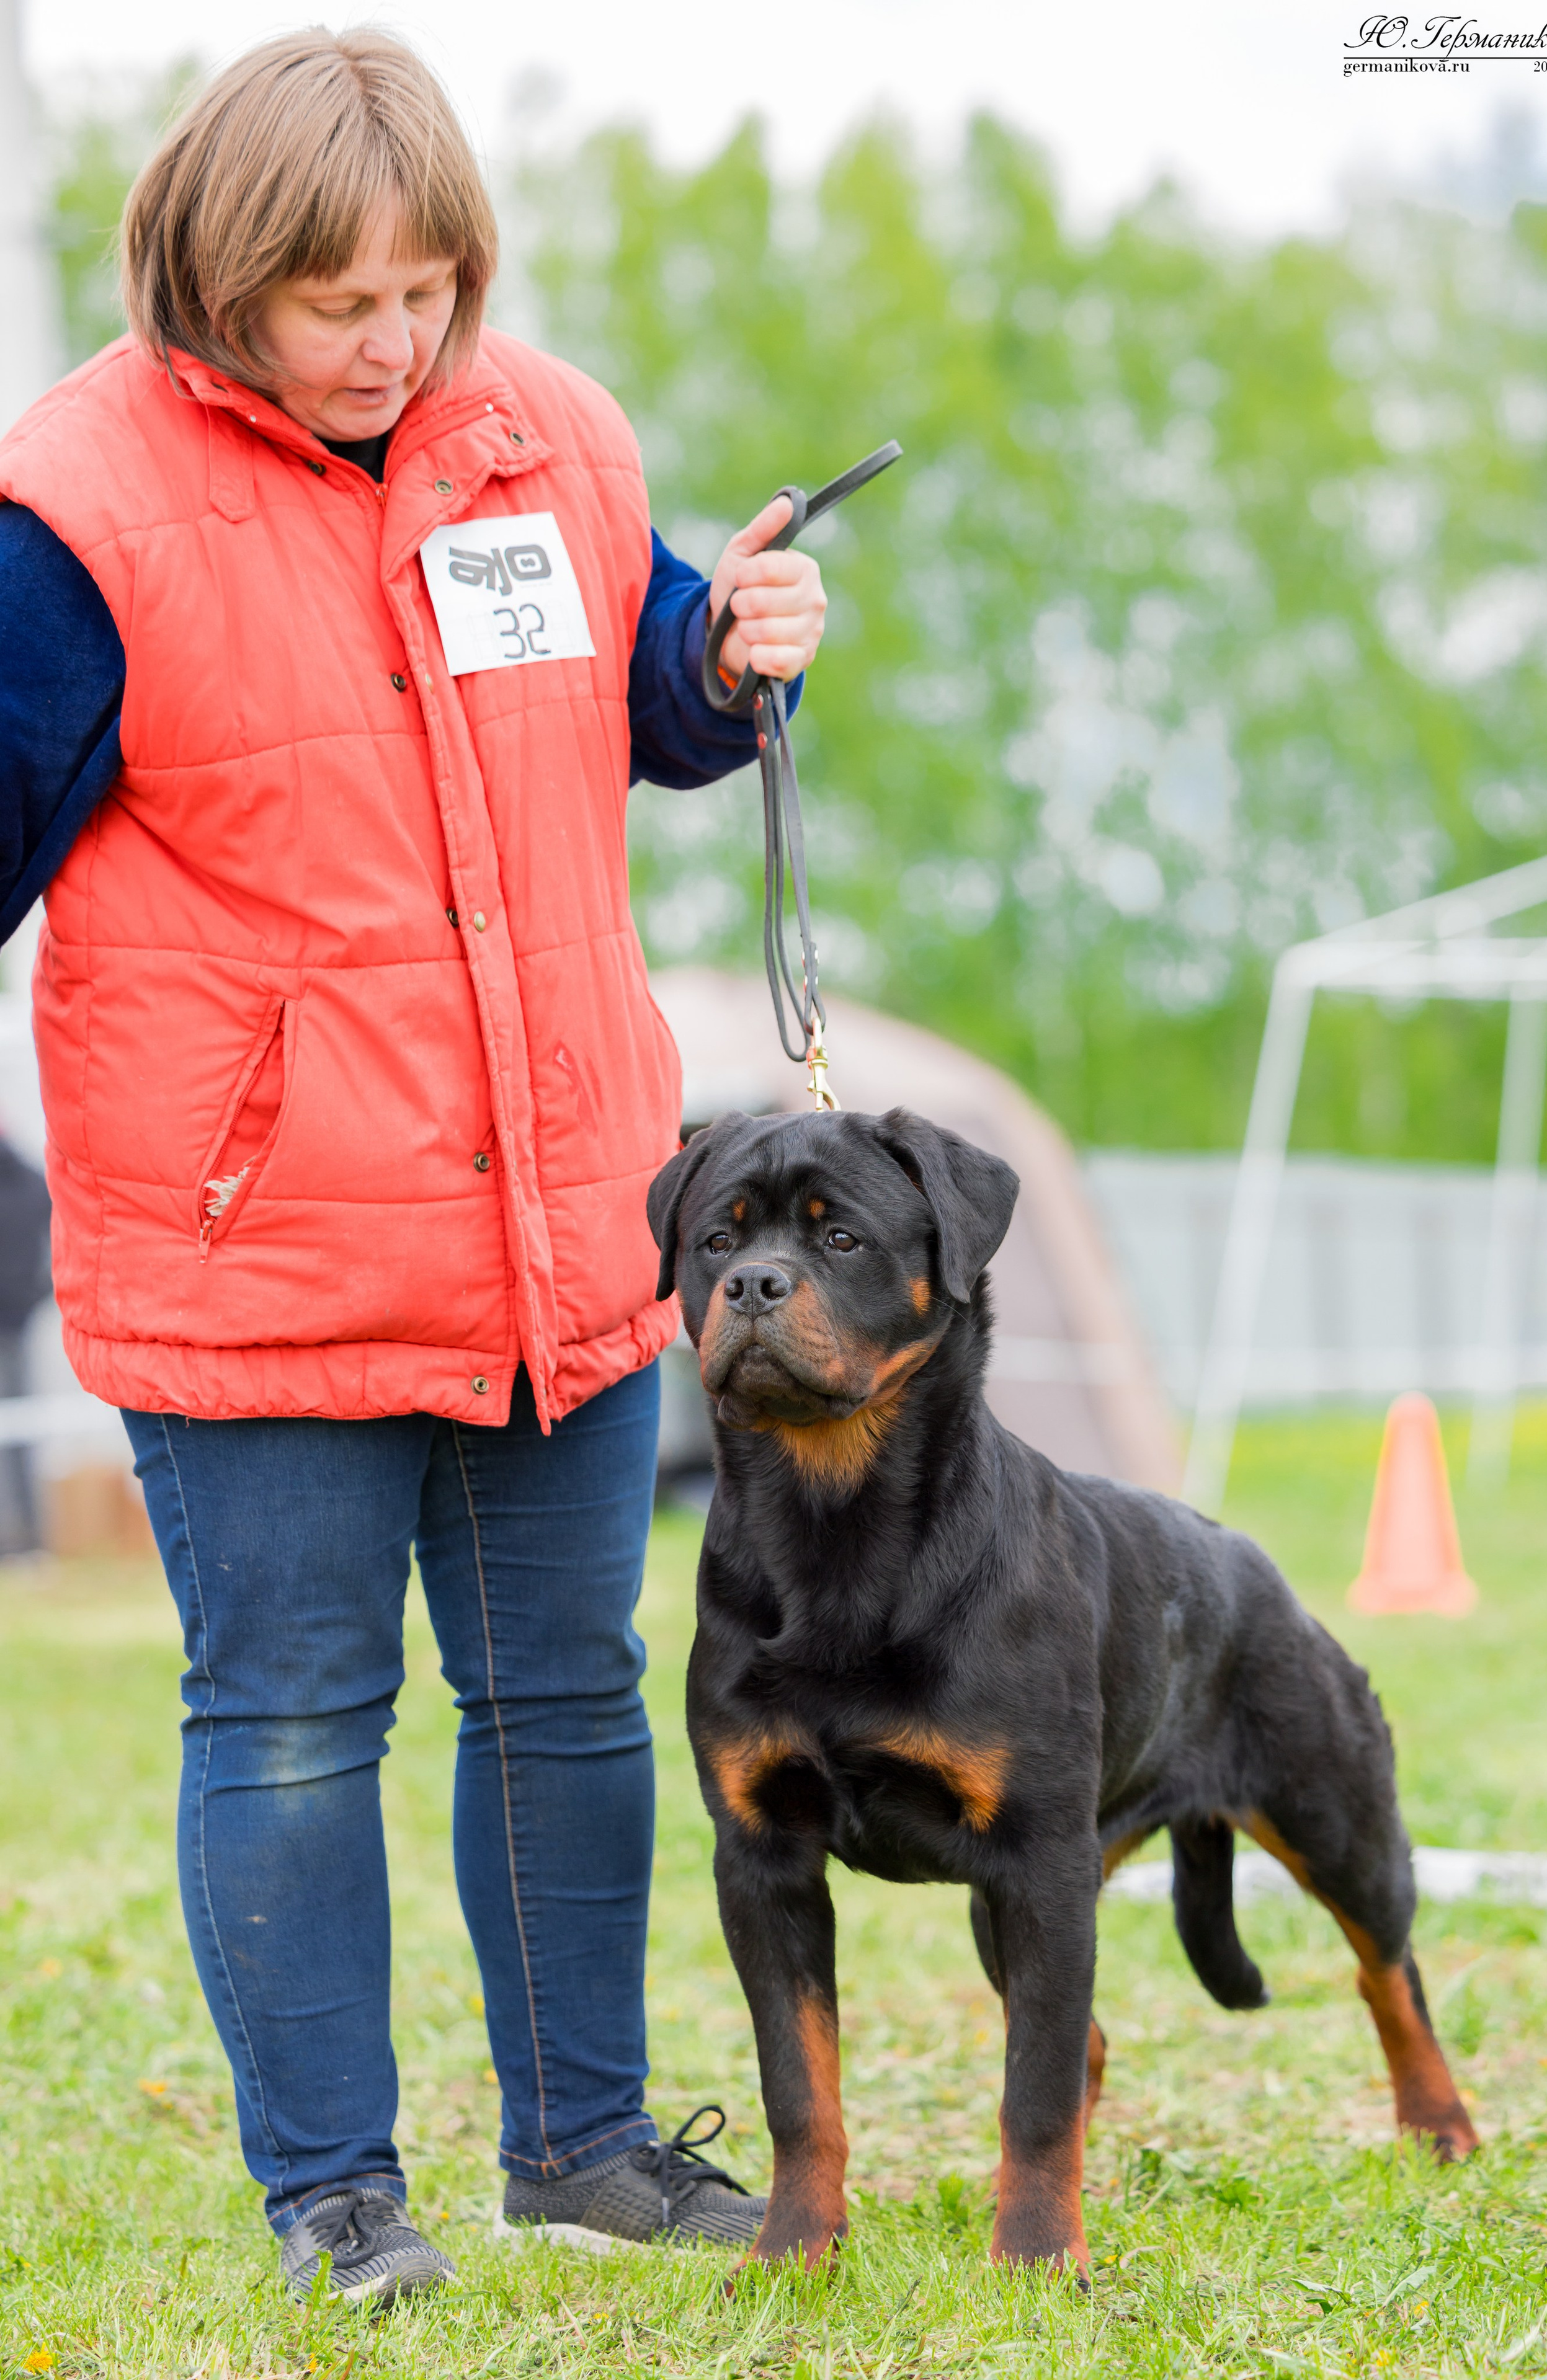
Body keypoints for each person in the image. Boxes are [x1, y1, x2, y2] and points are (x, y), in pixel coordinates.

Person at [0, 29, 828, 2306]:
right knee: (287, 1710)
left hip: (550, 1206)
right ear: (215, 278)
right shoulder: (71, 507)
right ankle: (337, 2197)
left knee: (562, 1681)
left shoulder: (540, 435)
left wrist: (723, 641)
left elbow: (635, 701)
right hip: (256, 1238)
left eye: (425, 294)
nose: (390, 346)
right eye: (334, 304)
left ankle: (578, 2148)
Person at [0, 1132, 51, 1556]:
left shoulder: (31, 1182)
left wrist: (30, 1299)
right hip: (16, 1324)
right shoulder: (32, 1181)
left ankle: (27, 1542)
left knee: (18, 1437)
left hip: (12, 1330)